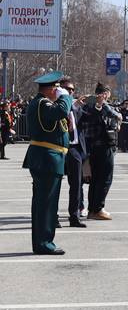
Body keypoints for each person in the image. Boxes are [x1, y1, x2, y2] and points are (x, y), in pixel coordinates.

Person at [23, 71, 74, 255]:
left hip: (49, 158)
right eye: (58, 88)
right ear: (52, 89)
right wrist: (66, 98)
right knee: (46, 204)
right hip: (47, 159)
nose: (59, 91)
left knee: (44, 203)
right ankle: (44, 243)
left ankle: (42, 241)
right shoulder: (42, 103)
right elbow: (60, 111)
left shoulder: (42, 103)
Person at [78, 83, 121, 220]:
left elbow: (117, 120)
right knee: (104, 179)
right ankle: (97, 208)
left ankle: (93, 208)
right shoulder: (95, 107)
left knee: (96, 180)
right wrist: (101, 105)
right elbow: (114, 115)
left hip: (98, 147)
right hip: (101, 146)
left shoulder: (92, 108)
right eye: (105, 94)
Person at [59, 77, 89, 228]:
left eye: (72, 90)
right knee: (55, 184)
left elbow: (89, 119)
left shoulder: (78, 106)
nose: (69, 92)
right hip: (60, 148)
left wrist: (97, 105)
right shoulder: (59, 104)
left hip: (75, 149)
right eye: (66, 89)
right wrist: (73, 105)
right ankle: (52, 216)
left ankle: (74, 216)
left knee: (76, 184)